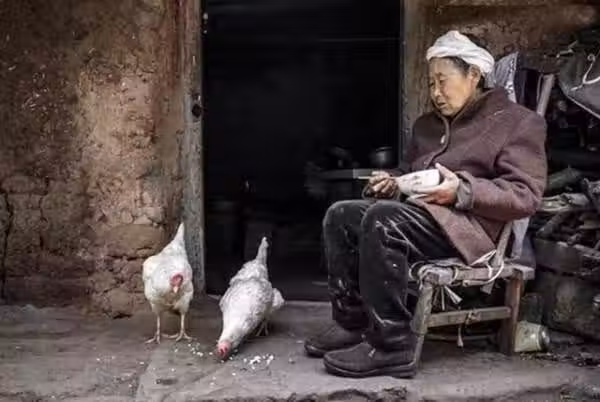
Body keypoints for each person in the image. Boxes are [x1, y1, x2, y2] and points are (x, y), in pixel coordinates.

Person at [304, 30, 547, 379]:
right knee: (340, 214)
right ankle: (352, 323)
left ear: (474, 74)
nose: (435, 92)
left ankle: (392, 346)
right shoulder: (427, 126)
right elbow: (412, 173)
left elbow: (525, 195)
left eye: (442, 81)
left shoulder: (517, 122)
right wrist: (393, 182)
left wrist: (462, 191)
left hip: (470, 232)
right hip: (421, 220)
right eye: (431, 83)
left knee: (383, 219)